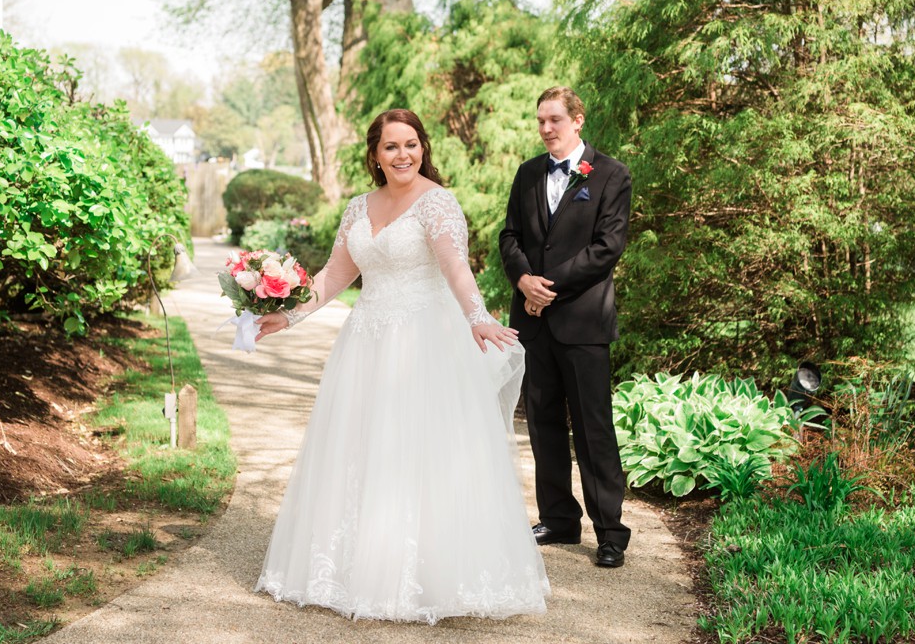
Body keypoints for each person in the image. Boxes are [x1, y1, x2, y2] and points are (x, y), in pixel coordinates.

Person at [252, 109, 550, 624]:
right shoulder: (356, 208)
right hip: (367, 342)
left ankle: (429, 577)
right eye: (391, 146)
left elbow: (456, 266)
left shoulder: (437, 202)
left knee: (420, 454)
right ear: (375, 155)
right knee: (362, 449)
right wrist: (289, 316)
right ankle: (356, 571)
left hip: (423, 341)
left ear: (422, 147)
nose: (403, 154)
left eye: (411, 144)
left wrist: (477, 318)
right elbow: (334, 275)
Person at [498, 87, 633, 569]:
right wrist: (522, 279)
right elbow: (509, 235)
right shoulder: (529, 173)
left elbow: (607, 247)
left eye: (555, 119)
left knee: (594, 428)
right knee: (543, 423)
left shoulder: (611, 174)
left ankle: (611, 531)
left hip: (582, 322)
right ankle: (558, 518)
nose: (546, 128)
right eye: (540, 121)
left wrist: (544, 286)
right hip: (533, 326)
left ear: (578, 120)